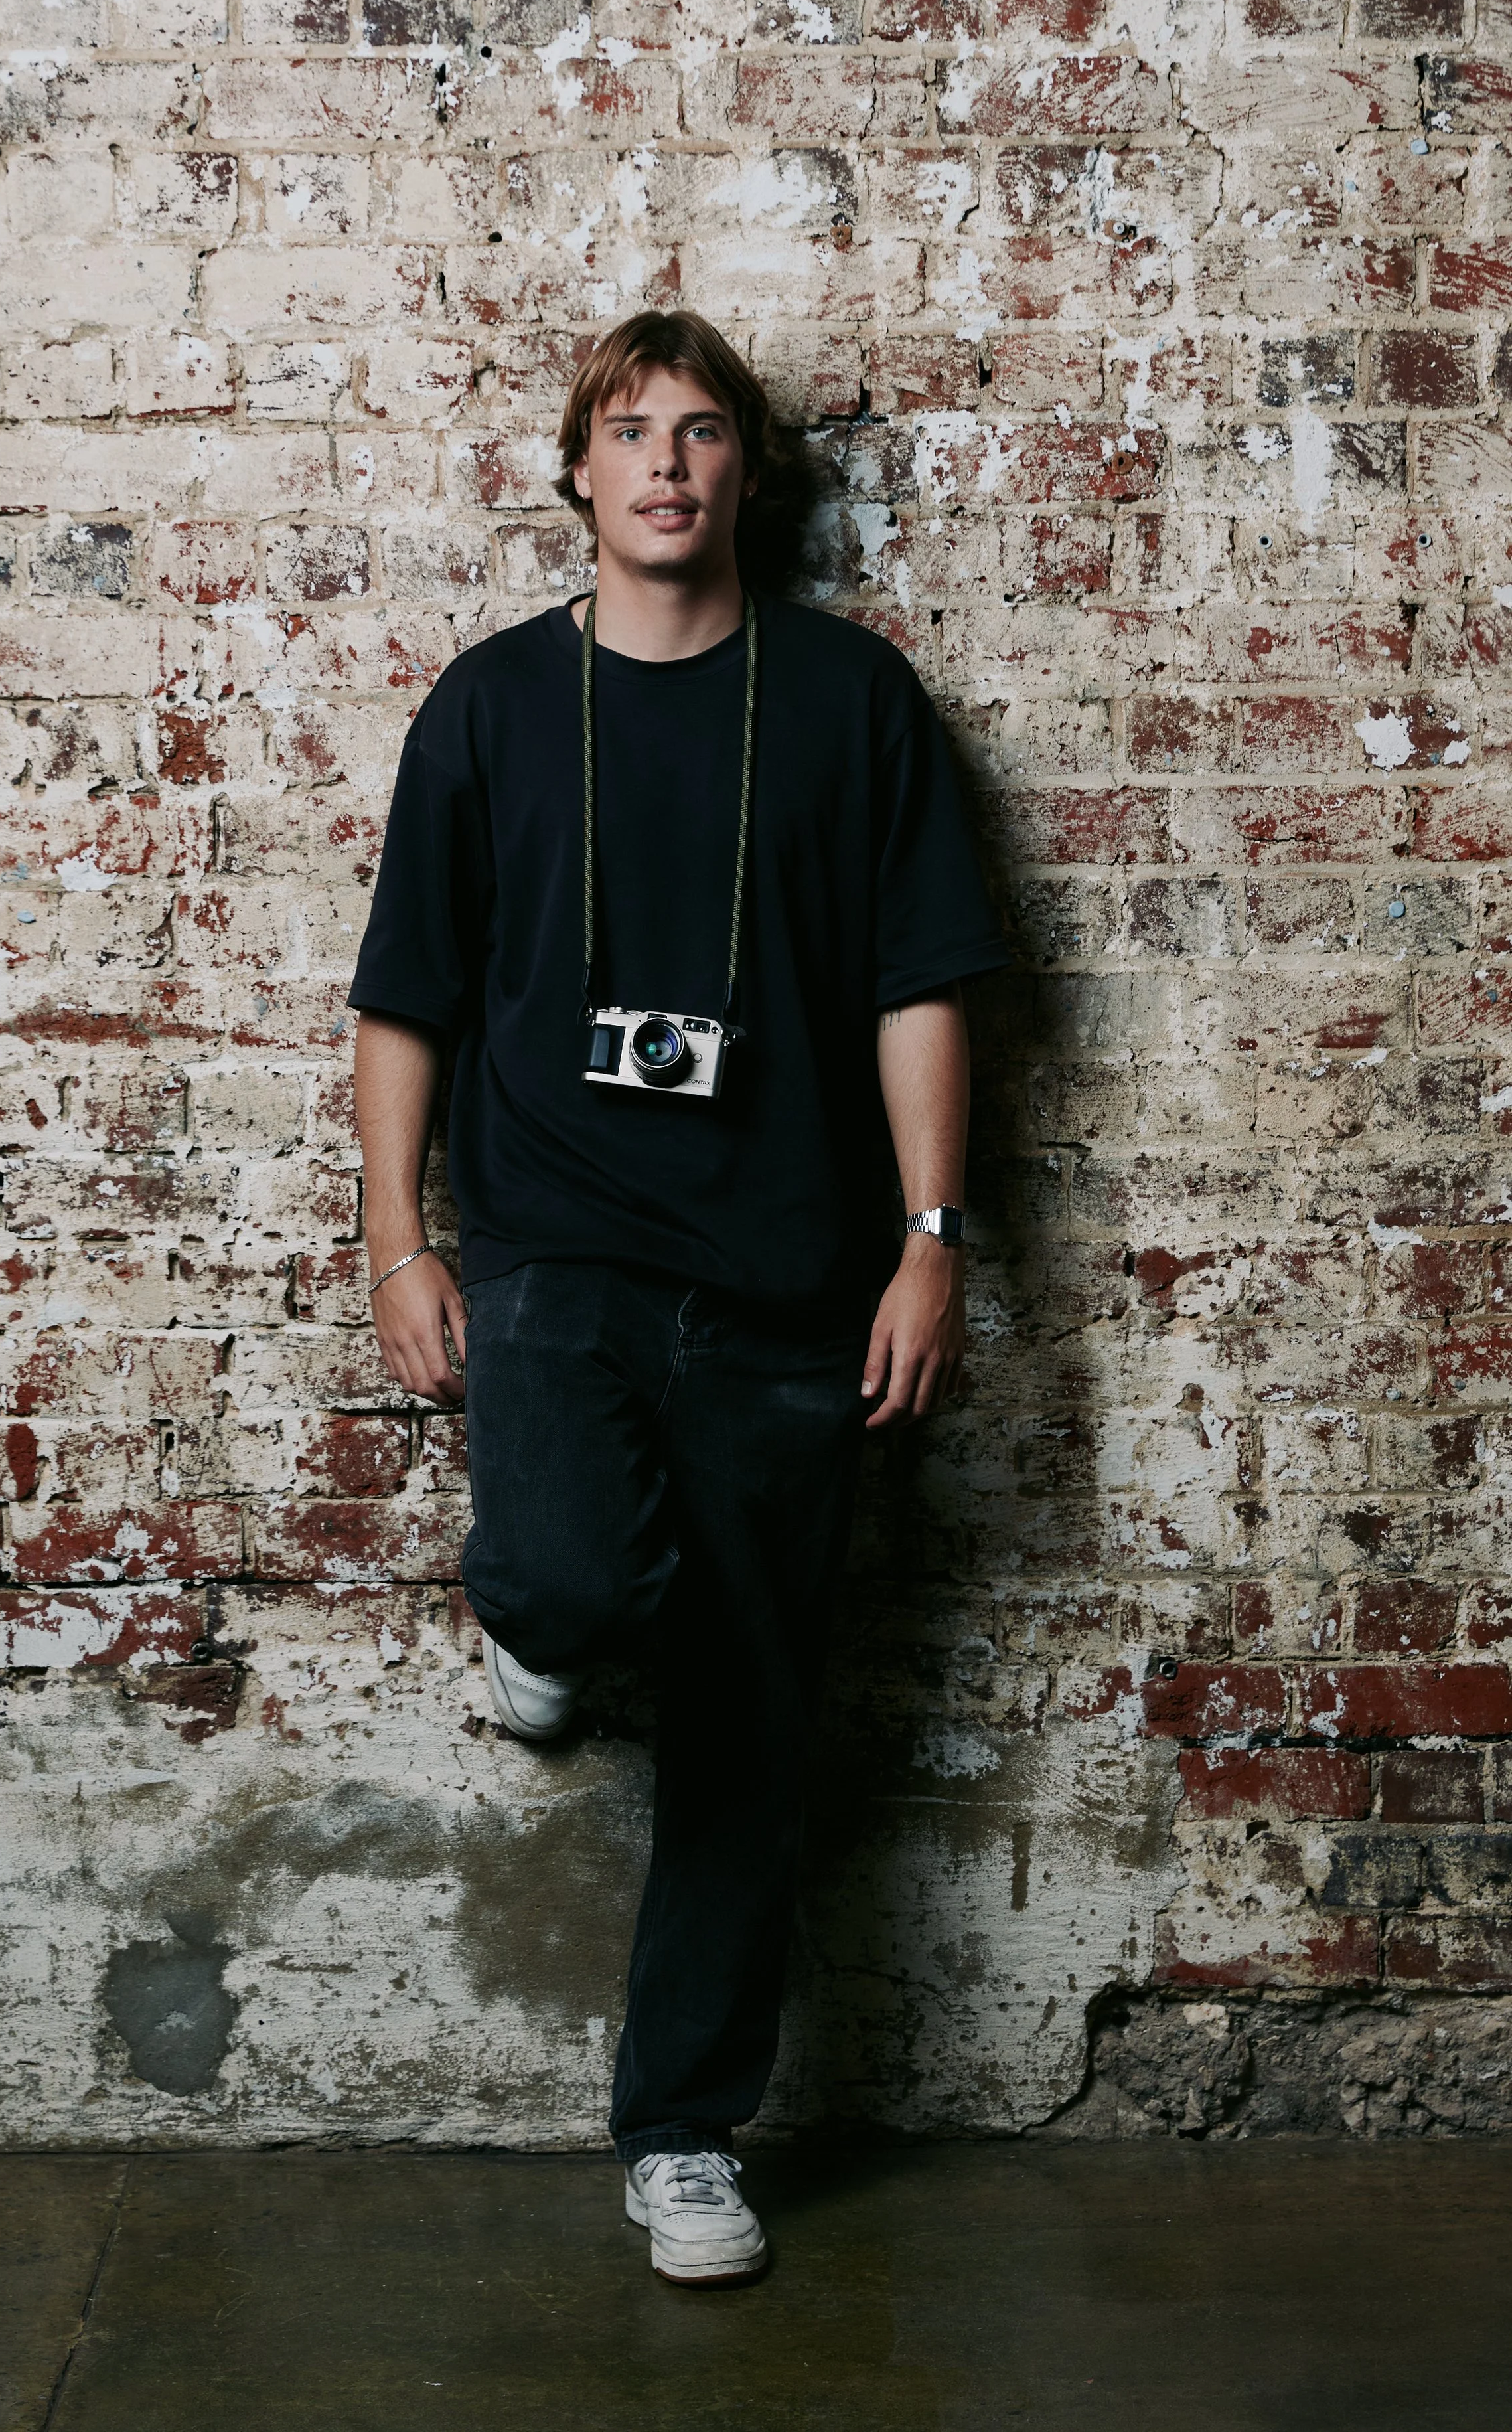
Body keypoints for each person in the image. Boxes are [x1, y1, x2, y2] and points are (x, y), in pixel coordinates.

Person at [348, 310, 1008, 2285]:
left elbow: (921, 985)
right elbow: (405, 1001)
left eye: (701, 431)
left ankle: (681, 2130)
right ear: (574, 472)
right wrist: (400, 1238)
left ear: (743, 472)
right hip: (556, 1251)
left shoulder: (847, 703)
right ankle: (546, 1637)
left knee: (748, 1723)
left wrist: (930, 1238)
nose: (665, 465)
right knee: (555, 1570)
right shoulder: (483, 706)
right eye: (627, 432)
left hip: (794, 1281)